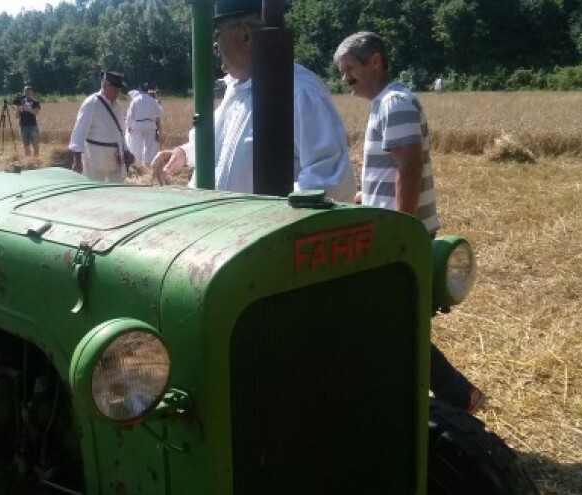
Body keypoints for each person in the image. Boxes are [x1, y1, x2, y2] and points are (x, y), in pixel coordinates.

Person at [334, 31, 485, 413]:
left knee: (391, 321)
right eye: (341, 71)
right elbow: (393, 171)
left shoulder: (394, 102)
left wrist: (400, 231)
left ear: (375, 62)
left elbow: (409, 167)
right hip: (392, 229)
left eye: (349, 69)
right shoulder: (385, 104)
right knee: (394, 319)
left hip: (399, 234)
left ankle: (459, 395)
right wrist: (363, 199)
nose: (345, 78)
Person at [152, 1, 355, 200]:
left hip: (261, 221)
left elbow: (329, 179)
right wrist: (184, 153)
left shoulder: (300, 90)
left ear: (245, 35)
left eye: (218, 33)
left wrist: (271, 208)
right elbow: (219, 142)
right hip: (222, 219)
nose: (215, 45)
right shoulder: (237, 89)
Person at [68, 71, 134, 182]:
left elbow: (120, 132)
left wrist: (126, 150)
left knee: (116, 190)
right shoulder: (92, 103)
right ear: (105, 85)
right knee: (94, 189)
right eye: (114, 88)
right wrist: (77, 161)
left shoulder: (117, 106)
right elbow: (79, 132)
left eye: (119, 89)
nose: (117, 92)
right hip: (95, 159)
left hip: (116, 160)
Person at [125, 82, 163, 166]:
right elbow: (160, 111)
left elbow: (130, 115)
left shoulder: (135, 100)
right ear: (147, 89)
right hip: (150, 125)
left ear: (140, 89)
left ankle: (137, 164)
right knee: (150, 146)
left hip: (138, 125)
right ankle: (148, 163)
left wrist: (129, 125)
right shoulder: (152, 100)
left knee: (137, 146)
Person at [16, 85, 41, 157]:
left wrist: (28, 109)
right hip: (23, 126)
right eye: (26, 92)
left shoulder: (35, 102)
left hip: (33, 126)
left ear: (31, 92)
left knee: (35, 144)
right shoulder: (20, 102)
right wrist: (18, 108)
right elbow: (16, 116)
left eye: (29, 92)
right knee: (26, 145)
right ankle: (28, 160)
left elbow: (36, 112)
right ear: (24, 92)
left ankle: (36, 160)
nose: (27, 93)